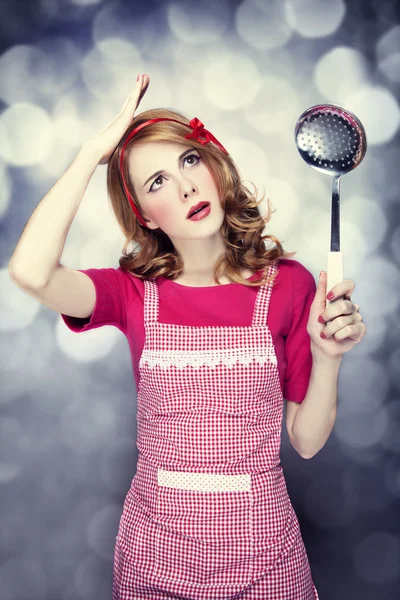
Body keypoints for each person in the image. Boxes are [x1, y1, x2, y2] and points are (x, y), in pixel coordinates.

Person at [10, 73, 365, 599]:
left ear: (214, 165)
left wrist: (328, 355)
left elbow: (307, 442)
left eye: (189, 161)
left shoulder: (289, 284)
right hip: (154, 568)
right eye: (156, 183)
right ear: (143, 216)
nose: (185, 187)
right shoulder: (132, 293)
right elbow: (31, 273)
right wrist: (90, 153)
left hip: (267, 567)